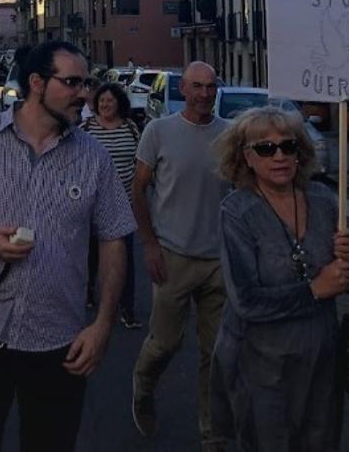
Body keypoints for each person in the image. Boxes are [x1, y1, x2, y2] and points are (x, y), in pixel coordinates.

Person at [0, 41, 136, 451]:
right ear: (37, 83)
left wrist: (103, 324)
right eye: (72, 82)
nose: (84, 93)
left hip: (60, 343)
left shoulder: (93, 158)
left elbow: (113, 238)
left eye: (86, 83)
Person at [210, 106, 349, 450]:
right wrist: (314, 290)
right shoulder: (236, 211)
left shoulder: (324, 201)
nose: (278, 155)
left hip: (321, 362)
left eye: (287, 146)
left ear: (299, 153)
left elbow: (347, 280)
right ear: (245, 157)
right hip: (263, 367)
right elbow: (246, 300)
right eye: (265, 148)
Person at [130, 61, 228, 451]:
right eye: (197, 87)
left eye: (211, 87)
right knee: (166, 343)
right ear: (183, 90)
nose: (205, 94)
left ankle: (211, 430)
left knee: (216, 353)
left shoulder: (230, 136)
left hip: (219, 260)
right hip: (173, 255)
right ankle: (143, 384)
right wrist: (150, 244)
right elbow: (138, 190)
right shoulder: (159, 132)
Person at [80, 83, 141, 329]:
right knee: (91, 254)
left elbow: (140, 161)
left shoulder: (130, 128)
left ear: (119, 104)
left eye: (110, 101)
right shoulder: (86, 128)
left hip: (123, 204)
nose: (105, 105)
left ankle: (127, 307)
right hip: (92, 206)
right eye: (102, 101)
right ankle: (87, 292)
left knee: (124, 257)